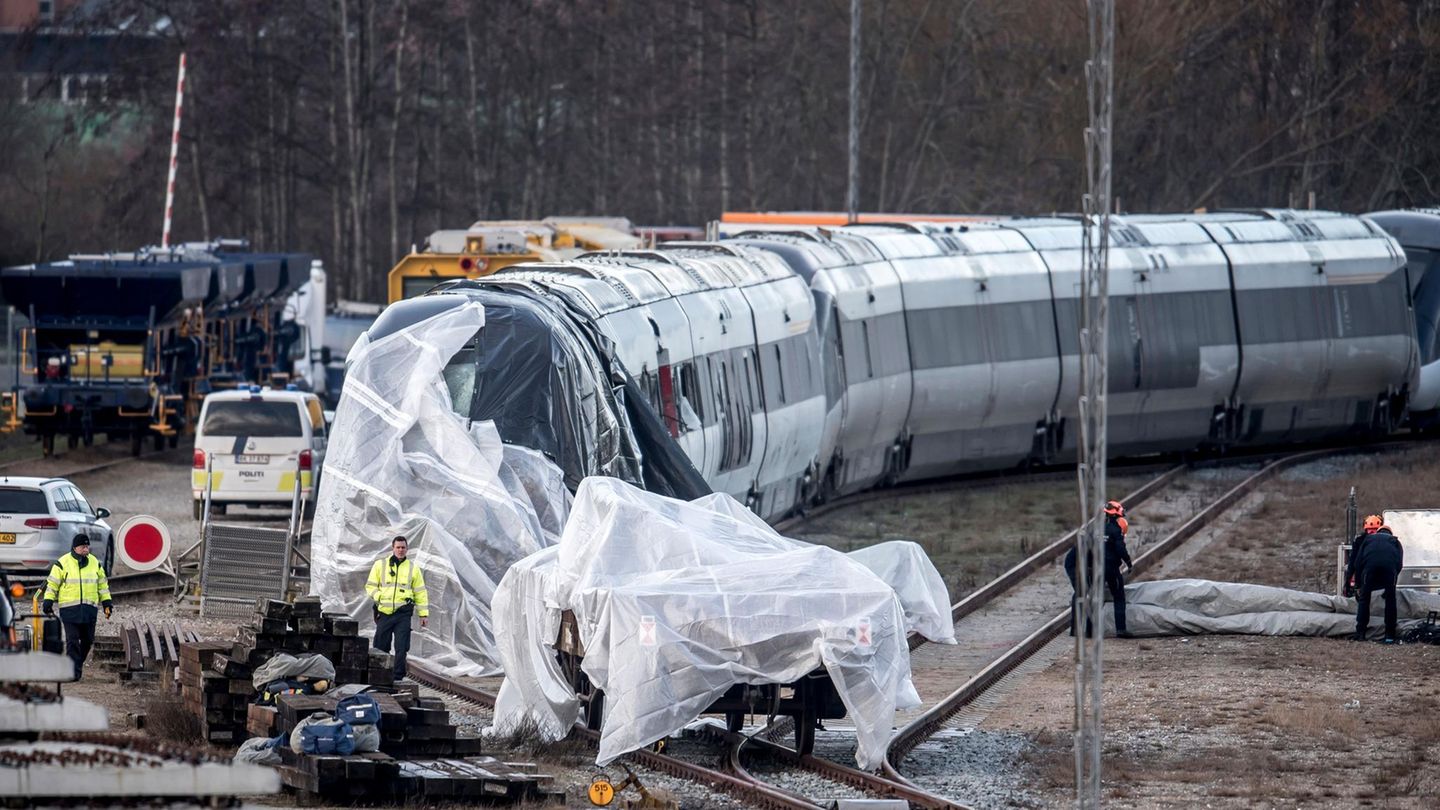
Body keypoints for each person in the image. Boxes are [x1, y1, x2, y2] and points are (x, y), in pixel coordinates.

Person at [41, 537, 113, 680]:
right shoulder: (62, 563)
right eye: (82, 547)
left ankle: (76, 665)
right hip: (69, 610)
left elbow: (103, 586)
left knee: (88, 641)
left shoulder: (95, 563)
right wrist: (48, 601)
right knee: (72, 641)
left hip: (89, 610)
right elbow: (52, 584)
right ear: (75, 548)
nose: (86, 549)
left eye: (87, 546)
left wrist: (107, 603)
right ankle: (72, 672)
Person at [1065, 500, 1134, 638]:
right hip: (1087, 566)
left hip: (1094, 567)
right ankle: (1120, 629)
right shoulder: (1115, 530)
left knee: (1091, 596)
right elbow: (1120, 549)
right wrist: (1128, 562)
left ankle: (1087, 631)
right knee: (1116, 596)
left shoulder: (1095, 529)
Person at [366, 536, 429, 680]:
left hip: (403, 613)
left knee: (402, 647)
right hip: (384, 612)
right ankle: (380, 675)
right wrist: (380, 596)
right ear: (393, 548)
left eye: (403, 547)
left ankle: (398, 677)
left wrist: (423, 614)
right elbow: (370, 586)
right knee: (381, 646)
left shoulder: (413, 569)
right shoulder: (380, 565)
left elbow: (420, 592)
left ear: (407, 549)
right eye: (398, 547)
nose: (400, 550)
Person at [1347, 524, 1403, 642]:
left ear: (1378, 532)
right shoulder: (1395, 541)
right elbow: (1399, 564)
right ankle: (1389, 636)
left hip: (1369, 570)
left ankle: (1360, 633)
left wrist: (1359, 585)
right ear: (1390, 533)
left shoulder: (1368, 540)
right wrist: (1391, 586)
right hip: (1389, 571)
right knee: (1390, 601)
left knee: (1364, 600)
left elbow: (1357, 562)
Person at [1343, 515, 1383, 597]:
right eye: (1370, 530)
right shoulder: (1387, 541)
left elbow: (1354, 562)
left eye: (1374, 530)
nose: (1372, 533)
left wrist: (1348, 582)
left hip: (1365, 577)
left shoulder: (1360, 541)